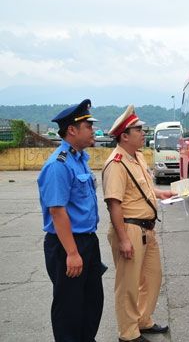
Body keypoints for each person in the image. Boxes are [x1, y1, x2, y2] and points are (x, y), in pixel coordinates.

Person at [102, 105, 174, 342]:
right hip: (130, 228)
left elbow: (141, 189)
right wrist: (123, 239)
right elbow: (115, 204)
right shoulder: (117, 163)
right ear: (124, 136)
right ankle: (128, 333)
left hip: (147, 229)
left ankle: (143, 320)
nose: (144, 133)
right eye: (139, 130)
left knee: (152, 277)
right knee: (128, 284)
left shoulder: (138, 157)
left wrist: (158, 194)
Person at [37, 99, 105, 342]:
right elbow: (58, 212)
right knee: (69, 308)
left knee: (92, 302)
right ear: (72, 130)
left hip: (87, 241)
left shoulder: (80, 159)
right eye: (88, 126)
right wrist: (72, 253)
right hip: (67, 245)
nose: (93, 130)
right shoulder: (58, 165)